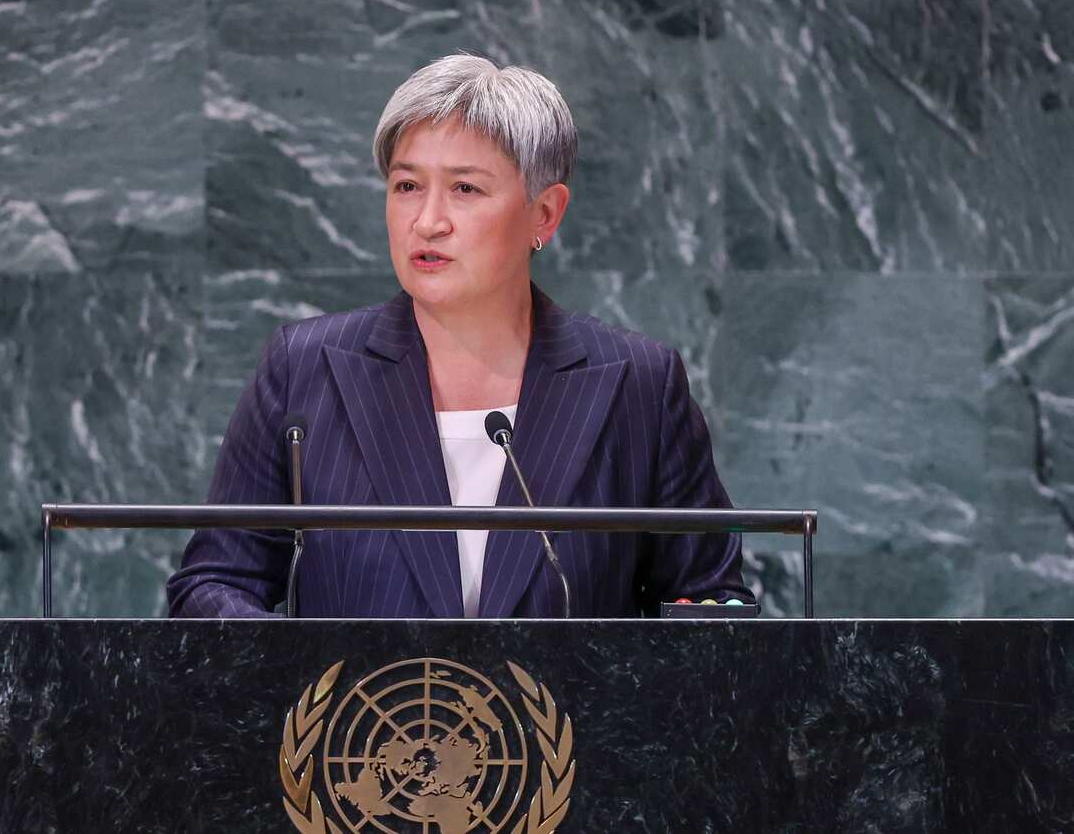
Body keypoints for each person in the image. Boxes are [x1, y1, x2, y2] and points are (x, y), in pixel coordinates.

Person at [167, 54, 752, 619]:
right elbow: (214, 583)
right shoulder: (304, 369)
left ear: (544, 214)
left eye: (465, 189)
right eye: (406, 187)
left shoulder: (637, 386)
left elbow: (707, 604)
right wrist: (312, 678)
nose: (428, 221)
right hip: (360, 721)